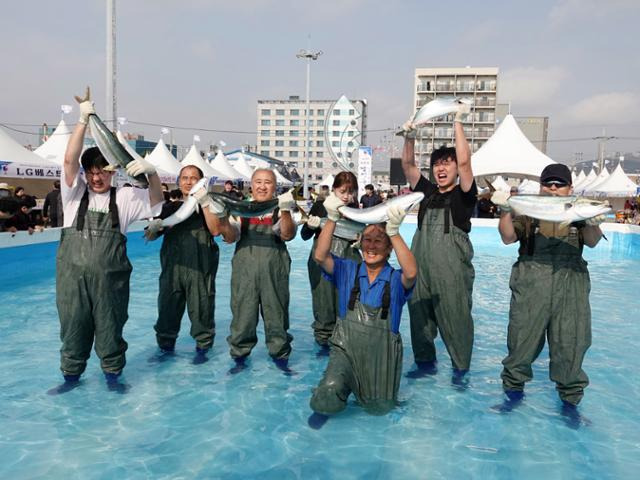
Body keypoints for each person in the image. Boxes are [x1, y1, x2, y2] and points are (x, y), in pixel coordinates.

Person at [51, 89, 163, 394]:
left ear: (112, 173)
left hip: (110, 284)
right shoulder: (73, 197)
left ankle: (113, 376)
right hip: (72, 282)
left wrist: (152, 174)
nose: (97, 178)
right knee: (73, 327)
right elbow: (68, 159)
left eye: (102, 172)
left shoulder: (125, 198)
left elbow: (156, 203)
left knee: (111, 328)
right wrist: (82, 121)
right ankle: (70, 378)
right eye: (92, 173)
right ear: (86, 175)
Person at [491, 164, 604, 427]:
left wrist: (592, 221)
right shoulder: (528, 210)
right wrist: (506, 210)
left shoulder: (577, 210)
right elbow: (508, 237)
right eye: (548, 184)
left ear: (569, 189)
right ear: (541, 187)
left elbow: (593, 241)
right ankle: (512, 396)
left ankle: (570, 403)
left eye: (559, 185)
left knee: (571, 344)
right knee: (521, 340)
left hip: (571, 283)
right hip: (532, 282)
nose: (553, 189)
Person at [308, 193, 416, 428]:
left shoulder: (395, 280)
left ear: (389, 249)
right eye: (367, 240)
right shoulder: (347, 270)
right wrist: (331, 219)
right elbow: (320, 255)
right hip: (345, 351)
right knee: (327, 394)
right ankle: (335, 390)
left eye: (379, 241)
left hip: (380, 358)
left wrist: (394, 233)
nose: (372, 246)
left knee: (380, 410)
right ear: (359, 243)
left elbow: (411, 273)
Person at [400, 102, 477, 384]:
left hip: (451, 270)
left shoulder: (464, 194)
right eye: (436, 164)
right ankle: (425, 363)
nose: (441, 168)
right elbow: (408, 165)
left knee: (456, 317)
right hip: (421, 266)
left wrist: (458, 122)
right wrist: (409, 136)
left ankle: (460, 369)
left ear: (456, 168)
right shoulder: (427, 192)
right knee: (418, 313)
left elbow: (467, 163)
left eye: (447, 163)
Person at [209, 169, 297, 373]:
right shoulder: (241, 208)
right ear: (251, 185)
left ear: (275, 187)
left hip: (274, 269)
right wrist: (222, 218)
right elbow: (230, 237)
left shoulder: (280, 208)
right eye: (258, 182)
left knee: (277, 313)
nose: (262, 186)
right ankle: (239, 357)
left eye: (268, 182)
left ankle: (280, 356)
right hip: (244, 270)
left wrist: (284, 210)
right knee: (242, 313)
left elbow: (287, 234)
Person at [145, 166, 220, 364]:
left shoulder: (210, 207)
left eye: (194, 179)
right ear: (179, 182)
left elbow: (215, 231)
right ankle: (164, 350)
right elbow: (152, 236)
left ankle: (203, 352)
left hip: (201, 271)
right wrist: (153, 229)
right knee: (167, 314)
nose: (189, 182)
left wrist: (204, 202)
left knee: (202, 313)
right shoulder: (168, 208)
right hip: (172, 271)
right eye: (185, 178)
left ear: (202, 183)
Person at [301, 172, 361, 350]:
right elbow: (304, 236)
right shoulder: (320, 207)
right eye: (343, 191)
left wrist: (361, 242)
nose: (346, 196)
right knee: (323, 304)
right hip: (321, 259)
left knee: (348, 306)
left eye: (351, 192)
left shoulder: (356, 210)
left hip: (348, 260)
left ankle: (345, 345)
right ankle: (322, 346)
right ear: (334, 189)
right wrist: (310, 225)